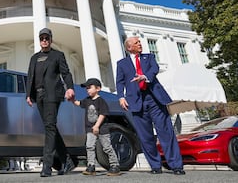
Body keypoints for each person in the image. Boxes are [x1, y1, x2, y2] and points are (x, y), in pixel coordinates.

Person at [116, 36, 185, 175]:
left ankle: (176, 165)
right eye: (136, 43)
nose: (140, 44)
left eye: (140, 42)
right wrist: (121, 97)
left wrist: (144, 77)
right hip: (136, 102)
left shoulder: (149, 57)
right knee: (145, 136)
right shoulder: (122, 63)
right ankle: (155, 166)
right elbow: (119, 82)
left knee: (166, 133)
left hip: (154, 100)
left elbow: (155, 69)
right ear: (129, 47)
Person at [26, 27, 76, 177]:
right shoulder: (34, 58)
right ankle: (67, 160)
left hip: (53, 94)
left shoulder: (57, 55)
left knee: (49, 127)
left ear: (51, 39)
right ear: (39, 40)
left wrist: (70, 88)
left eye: (47, 38)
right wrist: (28, 94)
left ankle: (46, 166)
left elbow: (66, 73)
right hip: (39, 96)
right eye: (42, 38)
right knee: (50, 127)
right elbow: (30, 77)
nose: (44, 40)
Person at [70, 78, 121, 176]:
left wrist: (97, 126)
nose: (87, 90)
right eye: (87, 88)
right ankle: (91, 166)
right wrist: (72, 100)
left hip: (102, 128)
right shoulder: (87, 100)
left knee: (106, 147)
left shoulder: (101, 101)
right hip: (90, 128)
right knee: (89, 147)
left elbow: (103, 114)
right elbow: (79, 103)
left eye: (89, 87)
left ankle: (115, 165)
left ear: (98, 89)